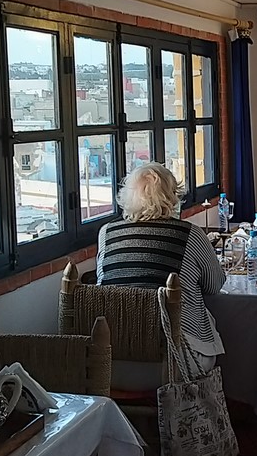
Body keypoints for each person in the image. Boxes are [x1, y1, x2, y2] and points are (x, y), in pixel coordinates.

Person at [96, 162, 226, 390]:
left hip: (109, 364)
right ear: (172, 197)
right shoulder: (191, 234)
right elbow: (214, 286)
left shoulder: (106, 233)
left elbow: (103, 285)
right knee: (209, 328)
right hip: (173, 364)